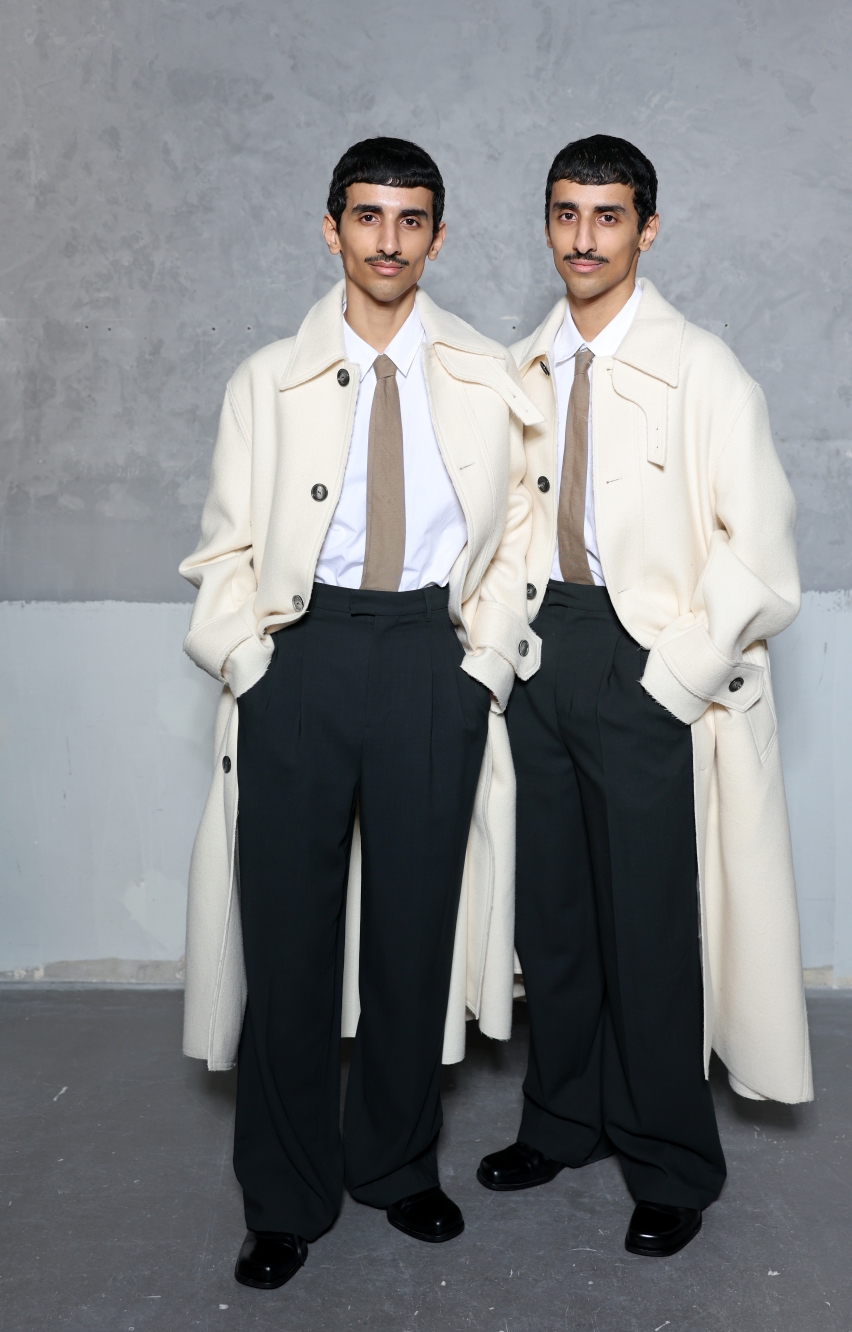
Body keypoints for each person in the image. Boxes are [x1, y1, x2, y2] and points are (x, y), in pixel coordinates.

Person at [179, 137, 542, 1289]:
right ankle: (284, 1198)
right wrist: (250, 663)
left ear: (438, 235)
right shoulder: (264, 380)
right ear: (330, 228)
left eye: (411, 219)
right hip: (302, 655)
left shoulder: (485, 373)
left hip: (429, 658)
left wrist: (483, 664)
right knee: (287, 941)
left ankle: (395, 1164)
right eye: (368, 217)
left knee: (412, 933)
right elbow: (224, 547)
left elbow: (517, 531)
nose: (389, 240)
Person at [478, 135, 813, 1257]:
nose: (584, 238)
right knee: (555, 918)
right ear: (547, 224)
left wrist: (672, 679)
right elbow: (505, 525)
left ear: (647, 229)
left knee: (651, 927)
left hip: (645, 664)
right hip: (546, 656)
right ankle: (563, 1121)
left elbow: (760, 551)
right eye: (566, 214)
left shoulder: (704, 369)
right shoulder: (522, 365)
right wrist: (503, 653)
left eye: (608, 216)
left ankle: (669, 1159)